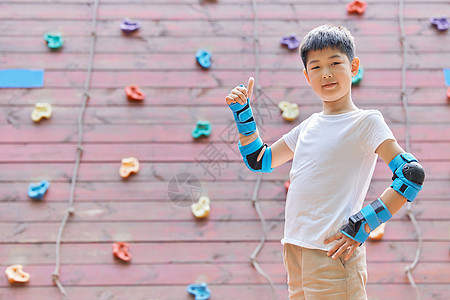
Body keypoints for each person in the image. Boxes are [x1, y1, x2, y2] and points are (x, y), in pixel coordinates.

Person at [225, 24, 425, 299]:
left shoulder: (366, 122)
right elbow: (260, 160)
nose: (326, 73)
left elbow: (410, 175)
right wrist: (243, 113)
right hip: (295, 249)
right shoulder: (308, 126)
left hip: (333, 252)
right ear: (307, 76)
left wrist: (362, 225)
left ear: (353, 66)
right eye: (316, 67)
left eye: (334, 62)